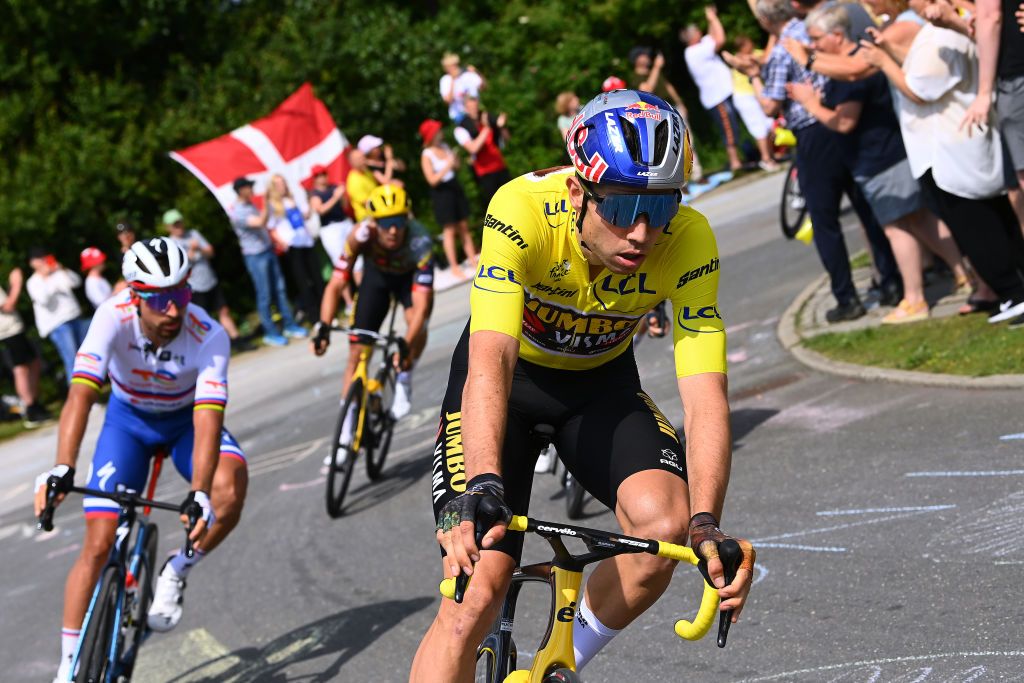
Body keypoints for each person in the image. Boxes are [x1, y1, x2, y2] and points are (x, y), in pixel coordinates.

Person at [409, 90, 755, 682]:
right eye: (621, 210)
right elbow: (490, 357)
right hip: (505, 390)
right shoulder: (520, 209)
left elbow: (705, 395)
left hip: (599, 389)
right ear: (578, 192)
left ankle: (556, 665)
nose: (643, 234)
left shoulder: (690, 240)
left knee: (663, 530)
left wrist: (706, 523)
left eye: (662, 208)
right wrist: (485, 482)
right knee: (473, 598)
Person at [33, 237, 248, 682]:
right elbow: (81, 394)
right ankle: (68, 666)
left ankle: (176, 568)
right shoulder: (112, 316)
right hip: (127, 422)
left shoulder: (208, 334)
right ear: (135, 296)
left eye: (182, 294)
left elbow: (208, 419)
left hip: (184, 422)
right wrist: (62, 467)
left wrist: (200, 494)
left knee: (231, 486)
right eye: (161, 299)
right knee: (97, 544)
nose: (174, 310)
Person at [788, 3, 971, 323]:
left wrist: (810, 103)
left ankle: (914, 299)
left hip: (879, 158)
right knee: (920, 219)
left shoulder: (852, 68)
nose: (813, 44)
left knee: (896, 228)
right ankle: (966, 274)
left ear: (836, 34)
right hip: (886, 154)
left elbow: (844, 122)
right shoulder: (849, 61)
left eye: (816, 38)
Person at [860, 0, 1024, 326]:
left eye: (926, 2)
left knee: (977, 226)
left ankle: (1013, 291)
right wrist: (891, 51)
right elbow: (921, 72)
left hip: (952, 147)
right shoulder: (938, 32)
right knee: (986, 221)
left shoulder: (943, 37)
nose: (922, 8)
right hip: (950, 146)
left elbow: (922, 89)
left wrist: (883, 61)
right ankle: (1011, 291)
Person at [740, 0, 902, 322]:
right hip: (838, 118)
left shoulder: (787, 45)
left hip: (813, 131)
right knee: (865, 208)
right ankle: (892, 281)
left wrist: (753, 78)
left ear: (764, 20)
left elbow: (771, 106)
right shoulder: (812, 27)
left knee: (824, 220)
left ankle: (846, 297)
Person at [312, 184, 434, 463]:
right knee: (356, 355)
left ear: (408, 219)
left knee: (417, 322)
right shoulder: (359, 236)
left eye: (399, 221)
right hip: (376, 280)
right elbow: (336, 284)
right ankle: (345, 435)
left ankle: (404, 378)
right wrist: (323, 325)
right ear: (373, 222)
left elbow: (422, 304)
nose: (393, 230)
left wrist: (406, 343)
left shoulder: (419, 241)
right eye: (386, 223)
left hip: (408, 281)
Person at [684, 6, 778, 172]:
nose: (701, 32)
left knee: (740, 126)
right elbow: (719, 39)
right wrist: (712, 20)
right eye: (698, 31)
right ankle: (735, 163)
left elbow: (713, 36)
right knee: (729, 129)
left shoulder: (702, 45)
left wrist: (711, 17)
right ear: (692, 36)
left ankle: (756, 156)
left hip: (725, 93)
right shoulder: (692, 52)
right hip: (716, 97)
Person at [229, 176, 307, 346]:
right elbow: (260, 222)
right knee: (265, 294)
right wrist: (266, 202)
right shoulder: (237, 211)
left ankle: (289, 325)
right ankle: (271, 333)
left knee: (279, 289)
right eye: (249, 187)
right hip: (255, 256)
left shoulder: (250, 205)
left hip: (267, 251)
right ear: (241, 190)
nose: (252, 189)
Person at [163, 209, 249, 350]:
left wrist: (200, 249)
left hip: (209, 279)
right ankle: (212, 348)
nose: (178, 226)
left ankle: (236, 339)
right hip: (193, 287)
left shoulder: (193, 234)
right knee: (202, 319)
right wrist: (191, 250)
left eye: (179, 222)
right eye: (175, 224)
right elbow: (179, 266)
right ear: (168, 227)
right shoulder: (171, 244)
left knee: (223, 310)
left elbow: (210, 251)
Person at [629, 47, 706, 182]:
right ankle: (680, 182)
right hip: (659, 114)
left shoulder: (653, 72)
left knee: (688, 141)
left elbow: (667, 86)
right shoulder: (636, 77)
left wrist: (679, 102)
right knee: (671, 147)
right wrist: (657, 68)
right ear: (636, 60)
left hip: (673, 109)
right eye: (643, 55)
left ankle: (697, 175)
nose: (647, 57)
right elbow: (647, 89)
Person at [420, 118, 477, 280]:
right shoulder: (427, 154)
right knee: (449, 230)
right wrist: (447, 165)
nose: (441, 133)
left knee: (464, 226)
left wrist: (455, 161)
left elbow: (456, 168)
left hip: (454, 187)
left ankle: (472, 259)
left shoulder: (444, 147)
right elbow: (431, 179)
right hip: (441, 192)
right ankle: (454, 266)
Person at [265, 174, 325, 324]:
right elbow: (271, 228)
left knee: (317, 278)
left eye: (283, 182)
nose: (282, 186)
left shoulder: (292, 199)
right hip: (293, 246)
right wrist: (282, 242)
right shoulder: (272, 205)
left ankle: (326, 314)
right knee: (303, 283)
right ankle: (315, 318)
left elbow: (304, 217)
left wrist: (309, 203)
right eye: (278, 184)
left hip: (306, 241)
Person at [26, 247, 91, 384]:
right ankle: (78, 401)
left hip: (74, 317)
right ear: (32, 263)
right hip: (58, 325)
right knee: (72, 360)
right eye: (39, 258)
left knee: (85, 357)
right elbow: (43, 299)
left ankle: (90, 396)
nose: (43, 260)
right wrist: (46, 277)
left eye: (44, 257)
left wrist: (62, 270)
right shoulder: (33, 282)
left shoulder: (57, 272)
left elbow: (76, 282)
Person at [0, 267, 51, 427]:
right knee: (21, 369)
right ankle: (30, 408)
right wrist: (16, 283)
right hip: (8, 331)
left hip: (14, 329)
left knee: (33, 363)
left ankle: (34, 403)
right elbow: (8, 306)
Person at [308, 165, 356, 315]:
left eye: (323, 174)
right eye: (318, 175)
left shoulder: (334, 187)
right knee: (340, 264)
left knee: (358, 260)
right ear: (314, 178)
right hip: (330, 230)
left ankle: (364, 293)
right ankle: (349, 303)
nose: (322, 177)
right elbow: (320, 210)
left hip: (344, 223)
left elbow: (345, 206)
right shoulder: (314, 194)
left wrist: (341, 196)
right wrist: (336, 197)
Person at [454, 95, 511, 212]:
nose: (474, 111)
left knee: (512, 199)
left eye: (475, 107)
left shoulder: (487, 120)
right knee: (497, 207)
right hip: (485, 172)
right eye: (471, 108)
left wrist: (501, 126)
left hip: (500, 166)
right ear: (465, 109)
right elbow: (473, 148)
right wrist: (486, 128)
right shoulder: (462, 129)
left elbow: (506, 139)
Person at [439, 52, 486, 123]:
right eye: (450, 66)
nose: (454, 67)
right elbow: (448, 100)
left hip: (476, 112)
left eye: (454, 65)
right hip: (459, 115)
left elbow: (483, 87)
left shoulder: (468, 75)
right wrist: (453, 80)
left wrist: (476, 72)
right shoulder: (445, 80)